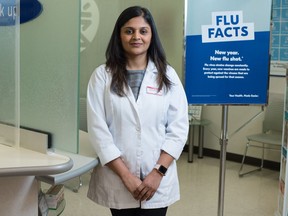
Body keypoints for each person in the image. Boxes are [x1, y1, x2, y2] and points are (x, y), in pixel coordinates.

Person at [87, 6, 189, 216]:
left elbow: (178, 128)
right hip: (118, 179)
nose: (136, 37)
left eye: (143, 31)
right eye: (129, 30)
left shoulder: (167, 75)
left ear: (151, 35)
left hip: (158, 181)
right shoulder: (101, 76)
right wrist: (126, 176)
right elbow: (99, 132)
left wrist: (158, 173)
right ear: (119, 35)